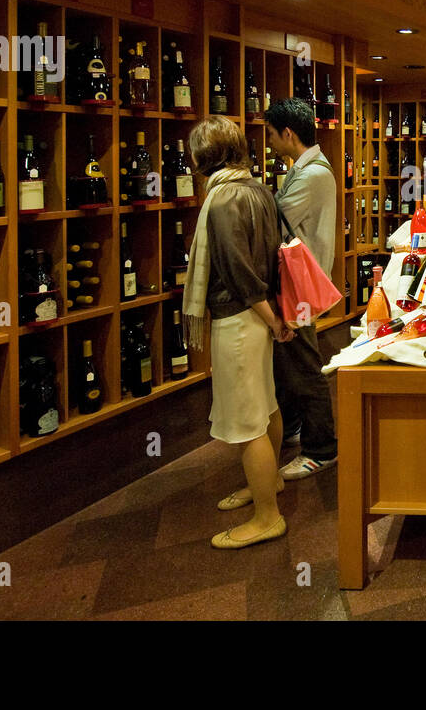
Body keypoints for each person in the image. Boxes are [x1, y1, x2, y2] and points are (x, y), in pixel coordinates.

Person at [182, 116, 293, 549]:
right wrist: (276, 316)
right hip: (262, 314)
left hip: (242, 316)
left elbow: (238, 272)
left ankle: (267, 516)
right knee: (265, 406)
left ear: (201, 156)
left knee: (247, 421)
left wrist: (269, 318)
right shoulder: (257, 188)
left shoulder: (223, 198)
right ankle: (269, 484)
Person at [265, 96, 338, 479]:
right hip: (301, 283)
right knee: (289, 359)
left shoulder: (310, 176)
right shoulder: (311, 169)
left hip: (300, 287)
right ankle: (294, 426)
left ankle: (321, 448)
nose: (270, 142)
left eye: (272, 134)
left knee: (306, 365)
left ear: (288, 133)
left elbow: (272, 220)